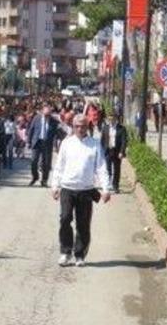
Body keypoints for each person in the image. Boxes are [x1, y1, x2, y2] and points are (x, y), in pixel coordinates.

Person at [50, 114, 112, 267]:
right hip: (67, 188)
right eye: (77, 126)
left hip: (86, 190)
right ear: (73, 126)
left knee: (83, 224)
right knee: (65, 219)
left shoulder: (94, 144)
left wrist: (106, 188)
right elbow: (59, 166)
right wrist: (55, 185)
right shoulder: (66, 143)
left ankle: (80, 254)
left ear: (87, 126)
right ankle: (65, 251)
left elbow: (101, 167)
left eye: (83, 126)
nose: (80, 129)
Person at [27, 103, 59, 187]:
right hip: (37, 142)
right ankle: (35, 177)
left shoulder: (54, 121)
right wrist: (28, 142)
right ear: (42, 112)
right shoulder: (36, 118)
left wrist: (56, 146)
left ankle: (44, 180)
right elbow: (31, 130)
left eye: (48, 115)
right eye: (45, 115)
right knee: (34, 161)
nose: (47, 116)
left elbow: (56, 134)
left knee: (46, 163)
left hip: (47, 143)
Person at [100, 113, 127, 193]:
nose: (110, 121)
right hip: (108, 151)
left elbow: (124, 141)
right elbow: (102, 140)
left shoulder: (121, 128)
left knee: (116, 169)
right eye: (109, 119)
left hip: (117, 151)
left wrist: (122, 152)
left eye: (112, 119)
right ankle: (107, 185)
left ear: (116, 119)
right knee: (107, 169)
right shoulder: (105, 127)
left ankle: (115, 186)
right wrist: (102, 150)